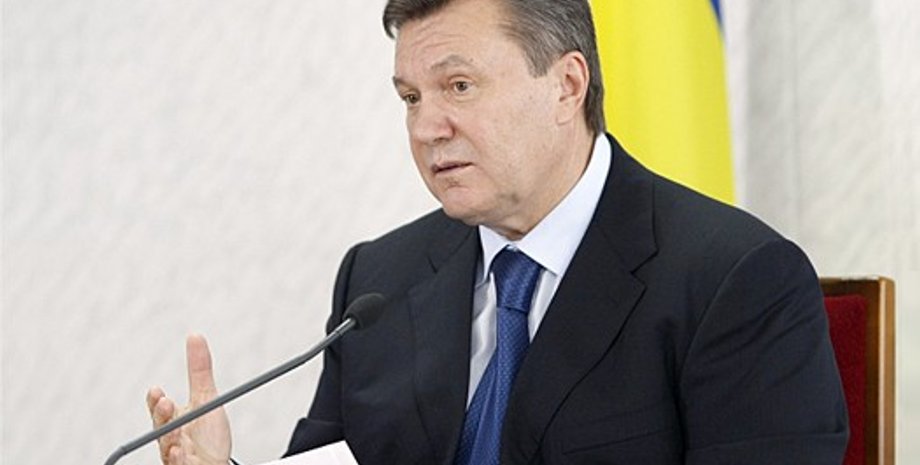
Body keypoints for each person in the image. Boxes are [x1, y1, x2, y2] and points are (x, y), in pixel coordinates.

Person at [147, 0, 849, 463]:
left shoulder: (735, 280)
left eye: (459, 86)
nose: (427, 127)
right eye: (410, 97)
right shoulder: (379, 282)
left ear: (566, 86)